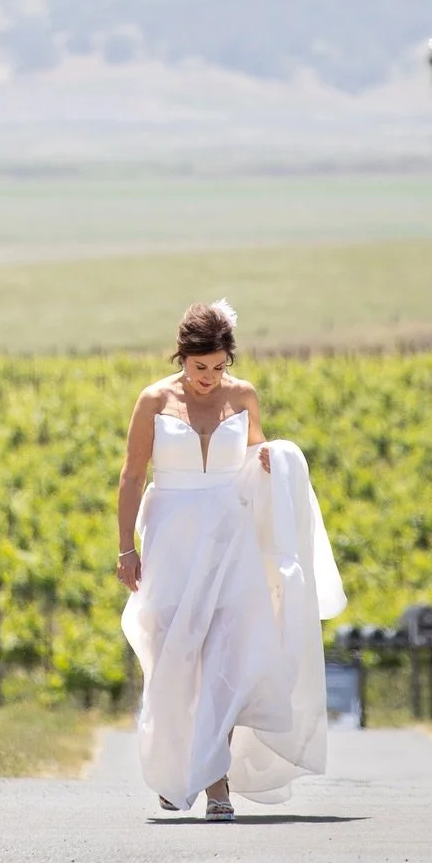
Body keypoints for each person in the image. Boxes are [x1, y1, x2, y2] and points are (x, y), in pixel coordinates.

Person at [117, 298, 346, 818]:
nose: (209, 377)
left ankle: (217, 784)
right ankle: (177, 771)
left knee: (224, 659)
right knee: (174, 658)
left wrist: (272, 460)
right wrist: (126, 548)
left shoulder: (243, 397)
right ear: (182, 357)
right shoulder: (153, 401)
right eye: (200, 367)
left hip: (230, 539)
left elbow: (258, 456)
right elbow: (132, 476)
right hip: (171, 537)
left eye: (219, 366)